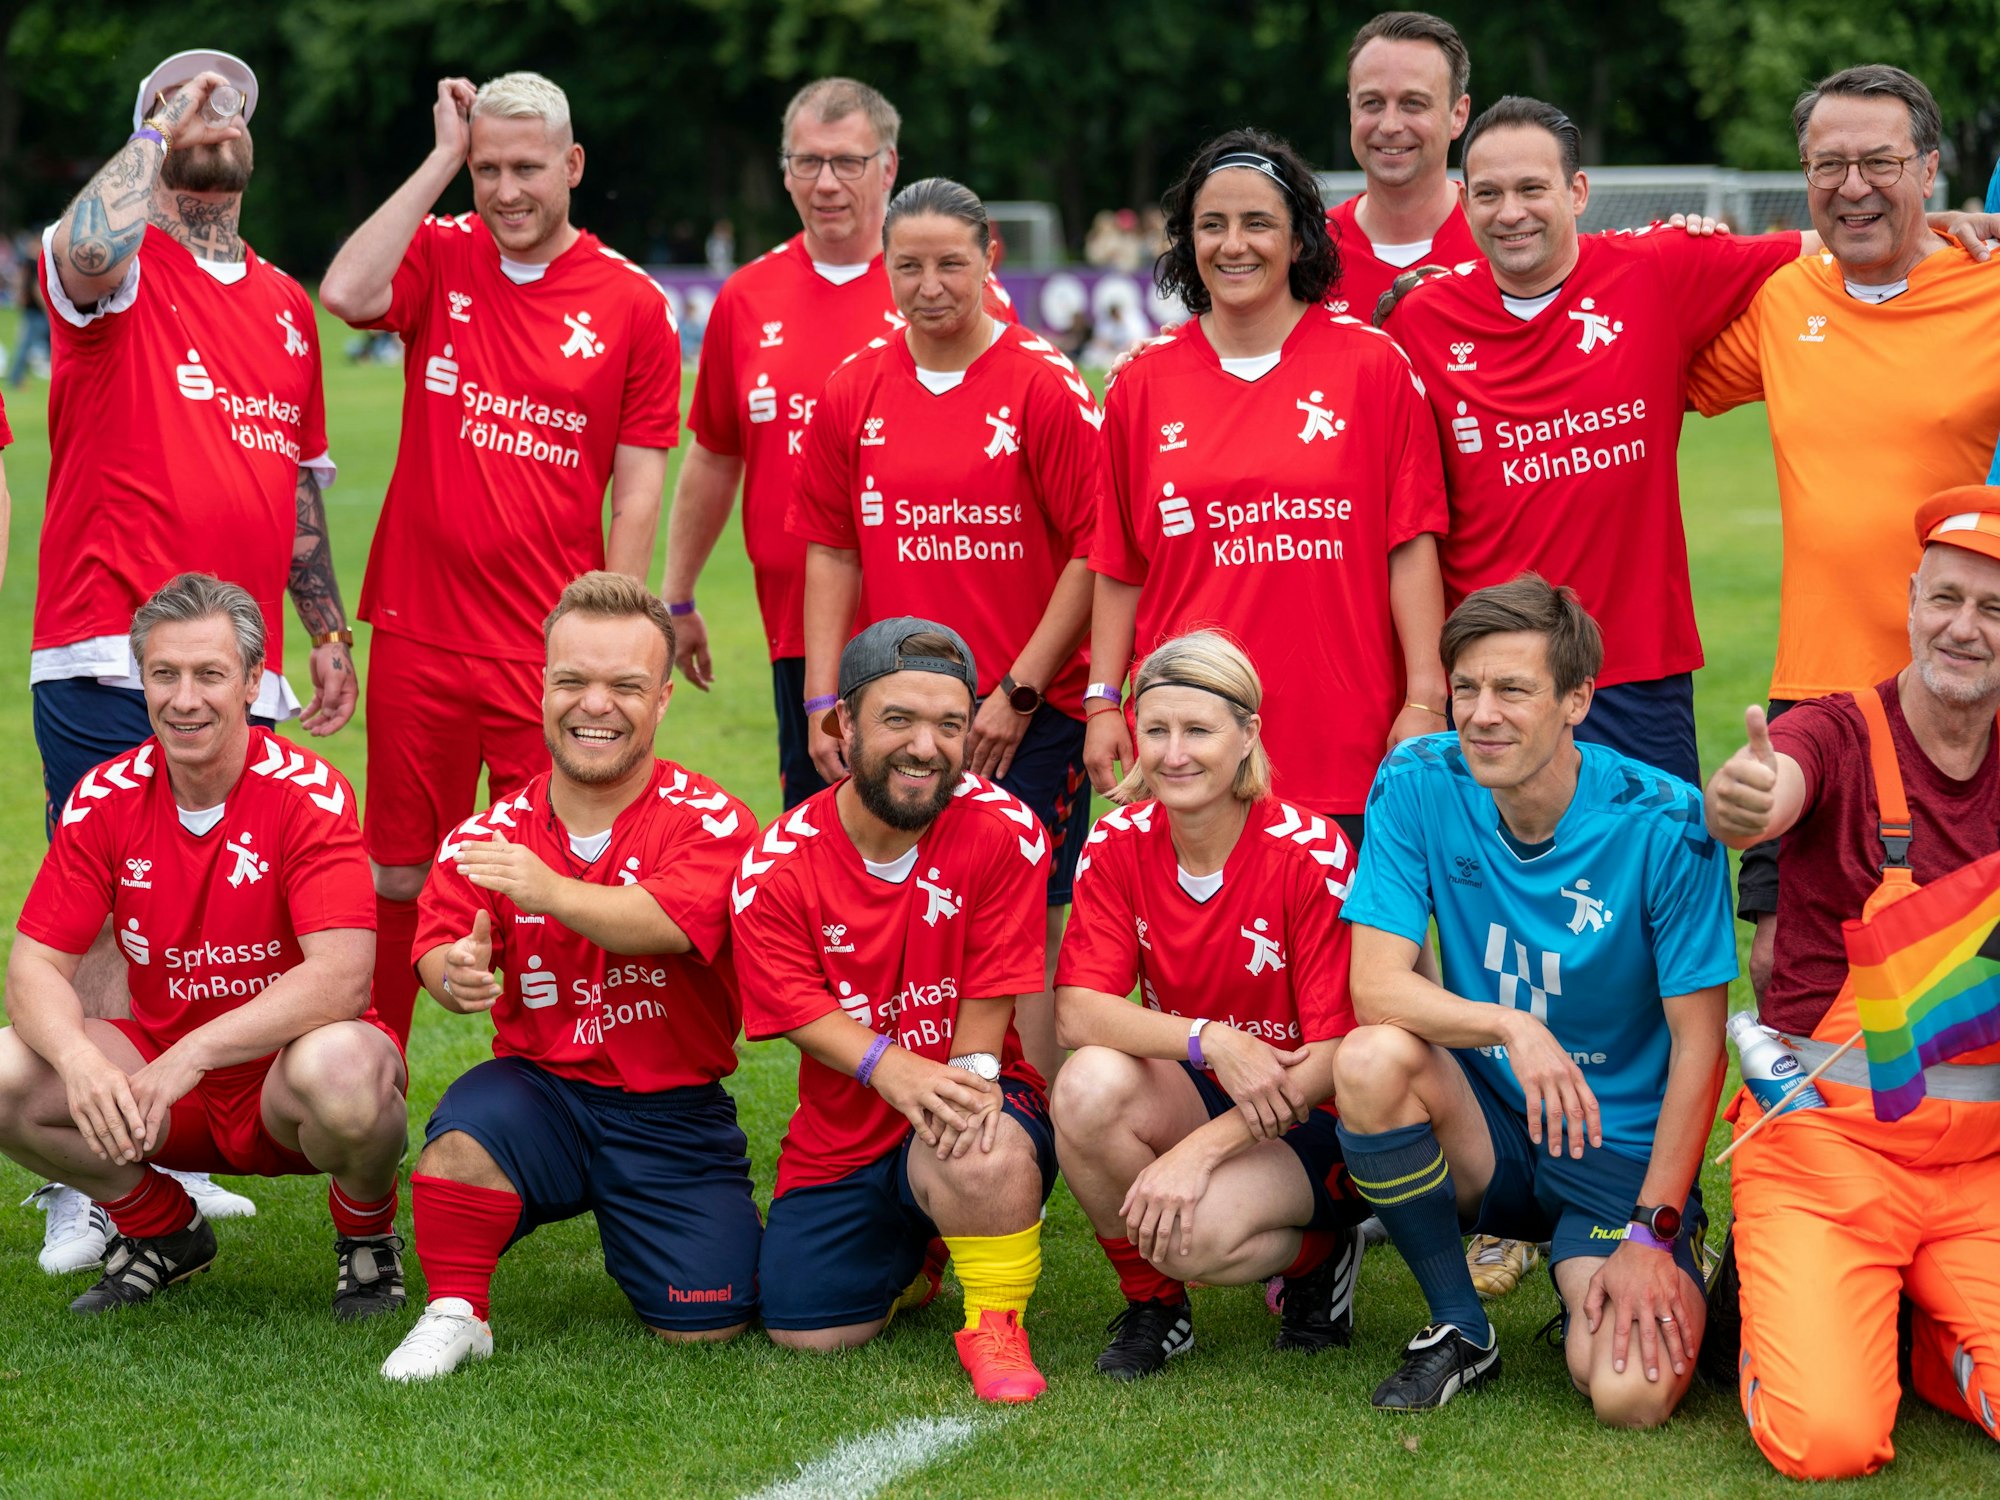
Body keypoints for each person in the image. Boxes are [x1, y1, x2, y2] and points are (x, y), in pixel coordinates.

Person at [29, 46, 361, 1262]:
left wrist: (321, 630)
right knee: (110, 921)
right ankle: (91, 1173)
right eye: (183, 101)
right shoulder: (120, 272)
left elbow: (298, 482)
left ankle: (167, 1139)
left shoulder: (282, 300)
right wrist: (155, 136)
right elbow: (78, 252)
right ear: (148, 136)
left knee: (217, 915)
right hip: (106, 656)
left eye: (230, 105)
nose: (212, 115)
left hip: (246, 674)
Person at [319, 72, 681, 1049]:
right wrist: (439, 156)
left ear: (571, 164)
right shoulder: (440, 255)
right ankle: (374, 1079)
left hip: (546, 659)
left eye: (526, 167)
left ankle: (561, 1084)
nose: (506, 189)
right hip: (418, 633)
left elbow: (639, 482)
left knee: (563, 882)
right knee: (398, 873)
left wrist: (616, 634)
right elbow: (345, 293)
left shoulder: (633, 304)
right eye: (487, 169)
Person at [1333, 575, 1735, 1421]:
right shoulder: (1416, 777)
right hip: (1490, 1130)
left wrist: (1651, 1231)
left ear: (1578, 699)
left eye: (1513, 689)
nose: (1481, 715)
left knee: (1629, 1395)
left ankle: (1624, 1266)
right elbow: (1375, 986)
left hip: (1614, 1151)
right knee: (1372, 1061)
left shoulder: (1666, 821)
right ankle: (1457, 1324)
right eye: (1467, 688)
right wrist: (1512, 1026)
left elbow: (1701, 1046)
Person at [379, 573, 759, 1381]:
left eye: (625, 686)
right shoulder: (492, 831)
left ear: (661, 700)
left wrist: (545, 889)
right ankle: (456, 1311)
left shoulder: (712, 819)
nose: (595, 705)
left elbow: (667, 923)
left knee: (708, 1324)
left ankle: (647, 1218)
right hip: (544, 1091)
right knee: (456, 1149)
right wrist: (459, 976)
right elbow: (434, 950)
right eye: (572, 681)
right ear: (540, 687)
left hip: (671, 1109)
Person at [0, 574, 407, 1318]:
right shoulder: (104, 795)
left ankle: (366, 1236)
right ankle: (161, 1230)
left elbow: (343, 978)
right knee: (4, 1069)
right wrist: (82, 1060)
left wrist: (189, 1057)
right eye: (165, 674)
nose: (185, 699)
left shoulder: (308, 792)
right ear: (142, 680)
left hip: (287, 1081)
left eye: (210, 675)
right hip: (155, 1082)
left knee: (349, 1069)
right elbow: (32, 967)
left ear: (253, 681)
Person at [1380, 97, 1807, 791]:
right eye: (1487, 193)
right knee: (1500, 896)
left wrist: (1960, 230)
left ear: (1577, 192)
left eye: (1531, 189)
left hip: (1635, 669)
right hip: (1492, 680)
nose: (1509, 211)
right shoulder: (1420, 319)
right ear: (1463, 203)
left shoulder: (1660, 268)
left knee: (1658, 883)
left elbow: (1845, 246)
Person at [1702, 487, 2000, 1478]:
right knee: (1824, 1441)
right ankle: (1795, 1308)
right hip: (1824, 1158)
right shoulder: (1833, 734)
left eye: (1992, 610)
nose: (1962, 628)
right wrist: (1747, 801)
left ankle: (1920, 1337)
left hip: (1981, 1173)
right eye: (1945, 599)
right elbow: (1769, 784)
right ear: (1910, 600)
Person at [1687, 65, 2000, 1001]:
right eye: (1828, 166)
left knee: (1962, 968)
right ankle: (1811, 1150)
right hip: (1816, 696)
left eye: (1879, 161)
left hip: (1965, 684)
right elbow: (1649, 348)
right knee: (1787, 962)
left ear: (1931, 168)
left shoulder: (1988, 290)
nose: (1853, 185)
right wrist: (1690, 244)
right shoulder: (1785, 300)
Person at [793, 176, 1099, 1083]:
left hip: (1026, 715)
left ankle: (1043, 1118)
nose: (930, 285)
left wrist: (1016, 692)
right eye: (909, 265)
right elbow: (832, 550)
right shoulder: (853, 387)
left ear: (991, 259)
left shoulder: (1043, 385)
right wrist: (824, 697)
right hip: (896, 709)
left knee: (1032, 909)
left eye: (951, 264)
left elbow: (1094, 552)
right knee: (908, 899)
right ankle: (918, 1101)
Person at [1086, 126, 1449, 834]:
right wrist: (1104, 702)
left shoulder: (1374, 368)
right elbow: (1119, 564)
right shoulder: (1141, 384)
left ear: (1301, 239)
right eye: (1211, 225)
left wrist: (1425, 700)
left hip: (1344, 735)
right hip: (1188, 739)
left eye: (1259, 223)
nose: (1234, 244)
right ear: (1188, 241)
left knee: (1368, 943)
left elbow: (1410, 546)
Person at [666, 77, 1014, 812]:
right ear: (785, 169)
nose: (826, 183)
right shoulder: (746, 299)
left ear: (889, 167)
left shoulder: (953, 292)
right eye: (807, 162)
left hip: (932, 626)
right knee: (823, 835)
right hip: (802, 631)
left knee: (949, 846)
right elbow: (714, 454)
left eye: (848, 162)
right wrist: (677, 594)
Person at [733, 619, 1058, 1404]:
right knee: (806, 1330)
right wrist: (887, 1066)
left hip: (970, 1078)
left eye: (950, 724)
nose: (926, 747)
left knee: (976, 1146)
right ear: (842, 724)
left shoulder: (1007, 830)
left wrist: (966, 1085)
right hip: (845, 1124)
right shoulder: (775, 865)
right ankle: (923, 1248)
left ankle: (996, 1324)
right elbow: (794, 1003)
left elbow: (992, 989)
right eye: (898, 720)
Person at [1052, 632, 1369, 1380]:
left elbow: (1336, 1056)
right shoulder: (1117, 840)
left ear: (1248, 733)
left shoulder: (1309, 851)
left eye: (1198, 730)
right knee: (1088, 1084)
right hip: (1205, 1081)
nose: (1173, 754)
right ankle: (1154, 1307)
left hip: (1311, 1111)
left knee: (1194, 1238)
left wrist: (1200, 1152)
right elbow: (1076, 1012)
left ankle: (1321, 1256)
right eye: (1155, 731)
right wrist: (1209, 1038)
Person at [1327, 11, 1480, 321]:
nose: (1390, 125)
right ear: (1351, 109)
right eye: (1372, 102)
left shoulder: (1502, 240)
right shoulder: (1307, 252)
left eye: (1413, 103)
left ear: (1458, 115)